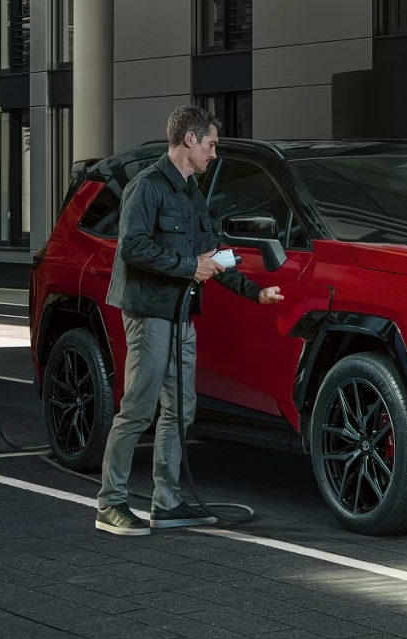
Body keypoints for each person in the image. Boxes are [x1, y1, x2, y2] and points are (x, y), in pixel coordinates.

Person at [95, 106, 284, 536]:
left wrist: (257, 291)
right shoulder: (146, 188)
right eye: (211, 145)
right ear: (189, 141)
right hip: (149, 312)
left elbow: (212, 257)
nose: (214, 154)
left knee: (181, 409)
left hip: (182, 315)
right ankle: (110, 502)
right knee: (138, 409)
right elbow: (133, 248)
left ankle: (167, 502)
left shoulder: (191, 194)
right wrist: (187, 266)